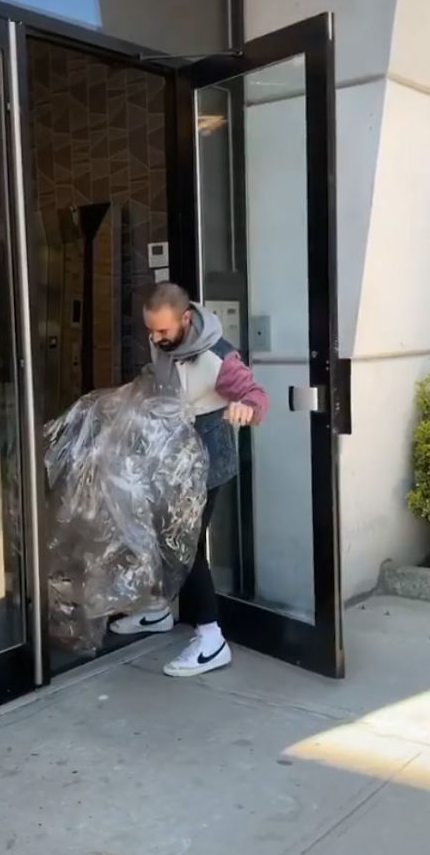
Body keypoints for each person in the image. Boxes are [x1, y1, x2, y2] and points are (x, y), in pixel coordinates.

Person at [110, 282, 268, 676]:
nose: (156, 338)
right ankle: (158, 611)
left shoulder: (218, 356)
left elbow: (254, 394)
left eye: (163, 331)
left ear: (184, 319)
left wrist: (246, 408)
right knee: (155, 531)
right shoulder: (162, 343)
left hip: (207, 458)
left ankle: (211, 639)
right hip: (170, 455)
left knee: (186, 544)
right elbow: (164, 381)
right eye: (151, 331)